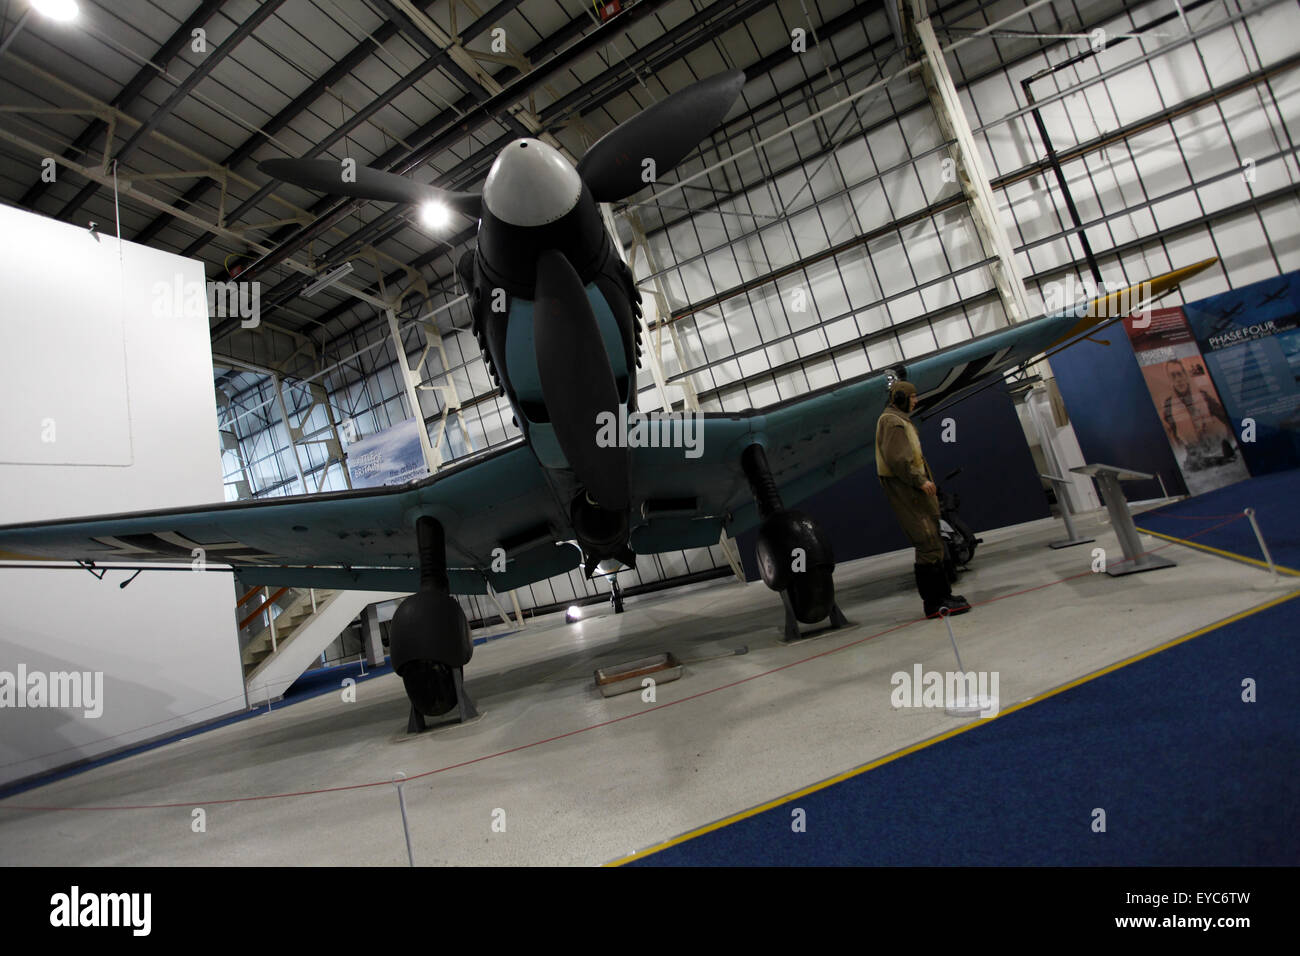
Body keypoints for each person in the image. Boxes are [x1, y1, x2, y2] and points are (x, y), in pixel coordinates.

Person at [875, 380, 971, 619]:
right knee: (927, 542)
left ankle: (943, 595)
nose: (916, 400)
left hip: (915, 490)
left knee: (934, 541)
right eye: (913, 396)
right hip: (909, 491)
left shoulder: (899, 420)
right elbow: (898, 460)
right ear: (899, 398)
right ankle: (934, 602)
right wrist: (920, 481)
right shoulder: (892, 422)